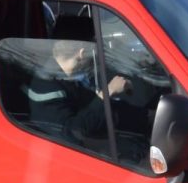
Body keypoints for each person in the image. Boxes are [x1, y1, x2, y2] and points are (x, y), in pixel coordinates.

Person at [22, 13, 131, 148]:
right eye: (94, 46)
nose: (96, 53)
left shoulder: (70, 76)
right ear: (82, 52)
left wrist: (145, 116)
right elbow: (74, 133)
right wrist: (108, 92)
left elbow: (94, 108)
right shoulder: (47, 86)